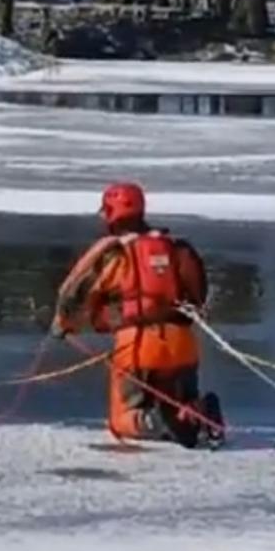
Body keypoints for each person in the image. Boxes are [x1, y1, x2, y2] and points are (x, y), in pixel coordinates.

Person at [52, 183, 224, 448]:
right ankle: (196, 411)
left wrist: (62, 325)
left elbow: (74, 292)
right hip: (183, 344)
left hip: (137, 346)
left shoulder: (113, 251)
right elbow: (199, 295)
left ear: (110, 212)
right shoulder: (175, 247)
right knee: (178, 401)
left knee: (123, 421)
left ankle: (162, 421)